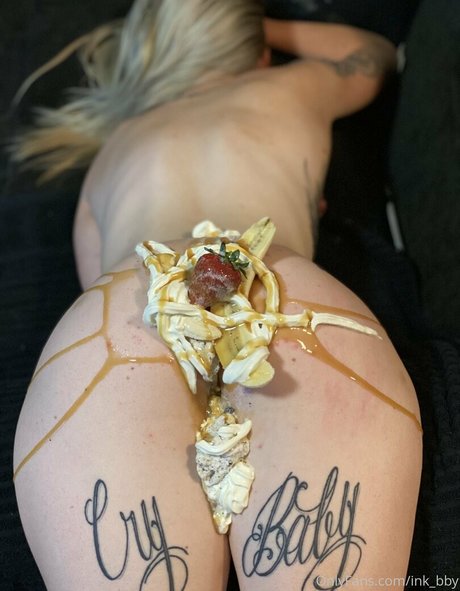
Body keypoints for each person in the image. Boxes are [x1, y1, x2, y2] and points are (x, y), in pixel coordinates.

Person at [12, 1, 422, 589]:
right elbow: (375, 56)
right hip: (278, 292)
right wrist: (268, 27)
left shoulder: (115, 147)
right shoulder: (289, 87)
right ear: (258, 55)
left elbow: (98, 280)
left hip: (131, 308)